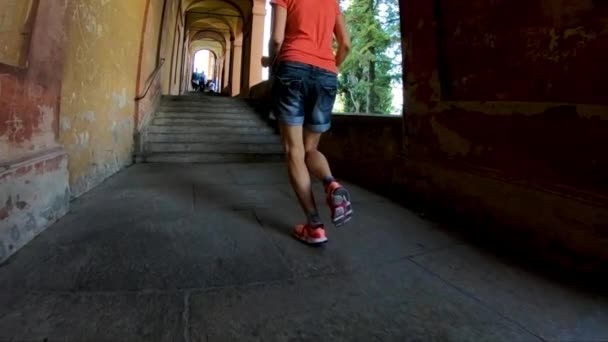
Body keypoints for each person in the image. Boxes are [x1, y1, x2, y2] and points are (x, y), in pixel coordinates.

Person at [262, 0, 352, 245]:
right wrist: (329, 69)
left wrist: (272, 63)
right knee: (311, 148)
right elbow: (345, 44)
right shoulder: (331, 2)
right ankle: (331, 183)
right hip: (326, 74)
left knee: (294, 151)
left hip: (292, 67)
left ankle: (314, 226)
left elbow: (277, 40)